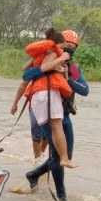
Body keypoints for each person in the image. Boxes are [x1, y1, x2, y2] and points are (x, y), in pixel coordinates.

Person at [25, 30, 89, 201]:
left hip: (65, 115)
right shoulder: (48, 59)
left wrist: (68, 80)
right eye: (67, 45)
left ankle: (34, 174)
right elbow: (27, 76)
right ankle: (62, 197)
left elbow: (85, 90)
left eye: (73, 47)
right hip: (48, 113)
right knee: (56, 156)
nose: (70, 49)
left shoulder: (74, 69)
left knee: (65, 155)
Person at [23, 29, 77, 169]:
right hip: (46, 93)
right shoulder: (53, 52)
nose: (66, 49)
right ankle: (62, 158)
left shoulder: (43, 54)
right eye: (64, 46)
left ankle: (41, 162)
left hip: (38, 97)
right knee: (53, 127)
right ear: (58, 43)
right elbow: (44, 67)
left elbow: (25, 70)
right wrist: (60, 58)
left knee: (49, 131)